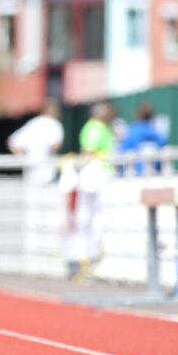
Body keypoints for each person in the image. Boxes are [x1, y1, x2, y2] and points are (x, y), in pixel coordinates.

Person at [64, 101, 117, 280]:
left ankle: (86, 260)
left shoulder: (99, 128)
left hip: (97, 177)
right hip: (95, 177)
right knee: (90, 218)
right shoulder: (95, 128)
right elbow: (89, 152)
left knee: (89, 218)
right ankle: (86, 260)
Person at [7, 99, 64, 185]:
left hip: (30, 175)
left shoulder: (32, 123)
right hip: (47, 175)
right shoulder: (54, 125)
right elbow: (56, 145)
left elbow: (12, 143)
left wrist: (23, 158)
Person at [120, 101, 167, 175]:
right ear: (152, 116)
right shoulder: (157, 133)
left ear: (137, 114)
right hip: (155, 174)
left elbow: (122, 152)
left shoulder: (131, 132)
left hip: (135, 175)